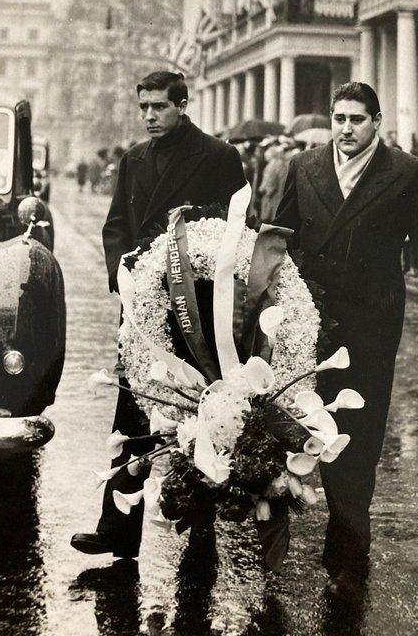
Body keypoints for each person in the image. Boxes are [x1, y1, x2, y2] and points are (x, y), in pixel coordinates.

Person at [272, 81, 418, 591]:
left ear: (377, 122)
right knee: (307, 423)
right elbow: (280, 238)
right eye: (338, 118)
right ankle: (326, 538)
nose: (346, 128)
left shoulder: (406, 172)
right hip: (312, 319)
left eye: (357, 119)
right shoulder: (305, 167)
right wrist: (260, 304)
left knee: (359, 433)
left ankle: (350, 554)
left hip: (372, 323)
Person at [71, 70, 245, 561]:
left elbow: (233, 229)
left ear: (182, 105)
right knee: (131, 412)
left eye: (159, 108)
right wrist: (124, 277)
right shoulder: (133, 160)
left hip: (195, 312)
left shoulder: (218, 157)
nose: (149, 116)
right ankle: (117, 530)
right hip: (141, 310)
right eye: (144, 107)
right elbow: (116, 226)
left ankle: (200, 532)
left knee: (198, 416)